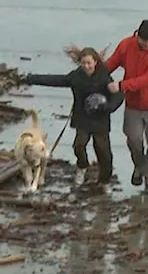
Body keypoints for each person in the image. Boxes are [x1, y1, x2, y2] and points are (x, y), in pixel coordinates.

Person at [21, 47, 123, 186]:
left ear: (96, 62)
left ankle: (104, 182)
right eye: (83, 63)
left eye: (89, 63)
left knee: (103, 152)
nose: (86, 66)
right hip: (82, 119)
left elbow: (118, 95)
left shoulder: (104, 77)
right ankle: (82, 167)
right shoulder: (76, 77)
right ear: (80, 63)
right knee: (78, 146)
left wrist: (108, 107)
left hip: (100, 120)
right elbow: (56, 80)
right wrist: (32, 78)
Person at [103, 19, 148, 195]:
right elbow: (111, 63)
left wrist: (122, 85)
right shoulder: (126, 45)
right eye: (144, 40)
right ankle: (140, 166)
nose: (147, 44)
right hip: (133, 103)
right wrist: (93, 73)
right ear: (137, 35)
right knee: (133, 138)